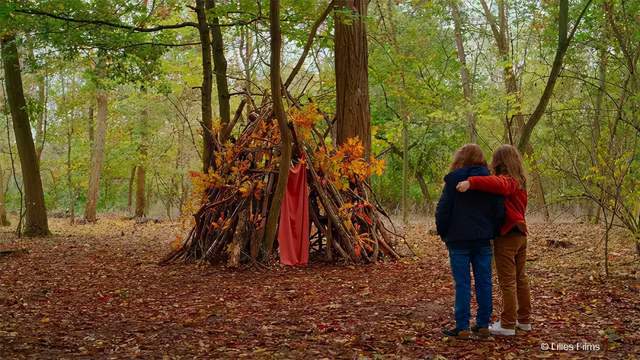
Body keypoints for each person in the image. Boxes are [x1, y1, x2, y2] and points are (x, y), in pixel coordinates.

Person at [456, 144, 531, 336]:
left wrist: (471, 182)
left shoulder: (509, 181)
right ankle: (524, 321)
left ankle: (507, 324)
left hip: (508, 236)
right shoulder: (520, 181)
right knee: (520, 279)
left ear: (500, 161)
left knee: (508, 281)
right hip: (521, 235)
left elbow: (500, 184)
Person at [435, 144, 504, 340]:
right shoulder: (491, 181)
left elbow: (443, 209)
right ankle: (483, 324)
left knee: (462, 283)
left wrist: (443, 233)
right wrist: (493, 231)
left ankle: (463, 326)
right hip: (482, 239)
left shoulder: (453, 180)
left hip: (458, 240)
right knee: (484, 281)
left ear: (461, 158)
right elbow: (499, 211)